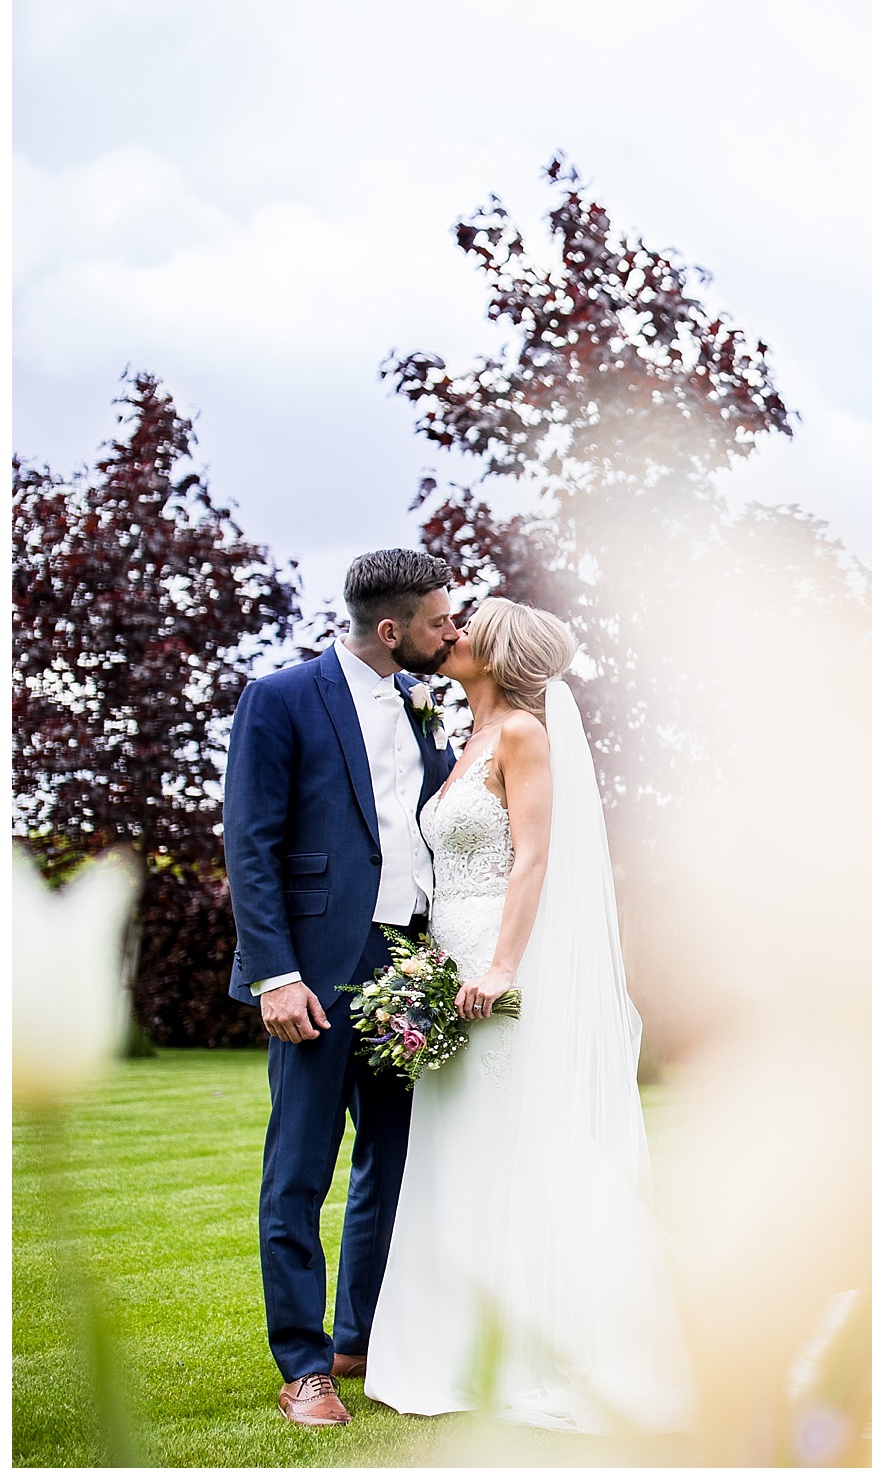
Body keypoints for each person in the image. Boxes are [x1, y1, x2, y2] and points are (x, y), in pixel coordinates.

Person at [364, 598, 692, 1433]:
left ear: (498, 653)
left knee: (525, 1141)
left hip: (500, 969)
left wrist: (502, 965)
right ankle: (459, 1343)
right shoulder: (460, 739)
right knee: (463, 1148)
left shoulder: (522, 735)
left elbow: (535, 856)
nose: (453, 632)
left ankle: (558, 1342)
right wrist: (434, 962)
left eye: (467, 626)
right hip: (448, 962)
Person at [224, 549, 461, 1428]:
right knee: (300, 1168)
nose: (454, 632)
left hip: (408, 963)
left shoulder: (425, 705)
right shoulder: (280, 699)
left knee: (393, 1162)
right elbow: (249, 844)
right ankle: (303, 1363)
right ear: (393, 628)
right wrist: (275, 975)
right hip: (314, 971)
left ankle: (362, 1337)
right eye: (441, 621)